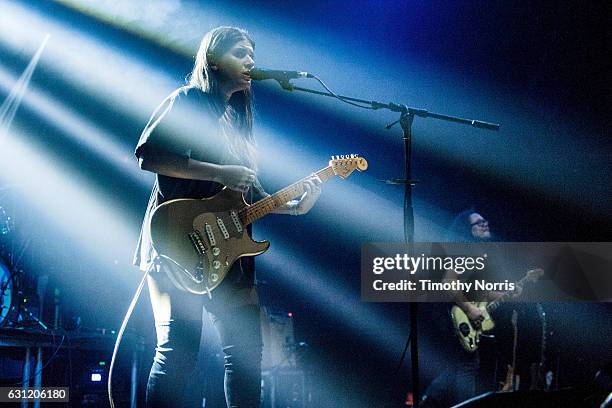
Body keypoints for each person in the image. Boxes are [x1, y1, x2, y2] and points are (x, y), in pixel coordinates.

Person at [133, 26, 322, 408]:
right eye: (240, 53)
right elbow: (149, 156)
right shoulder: (187, 100)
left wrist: (294, 206)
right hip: (177, 239)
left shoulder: (239, 123)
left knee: (248, 357)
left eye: (253, 54)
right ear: (215, 61)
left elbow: (247, 200)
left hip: (230, 253)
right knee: (178, 351)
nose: (251, 61)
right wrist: (217, 172)